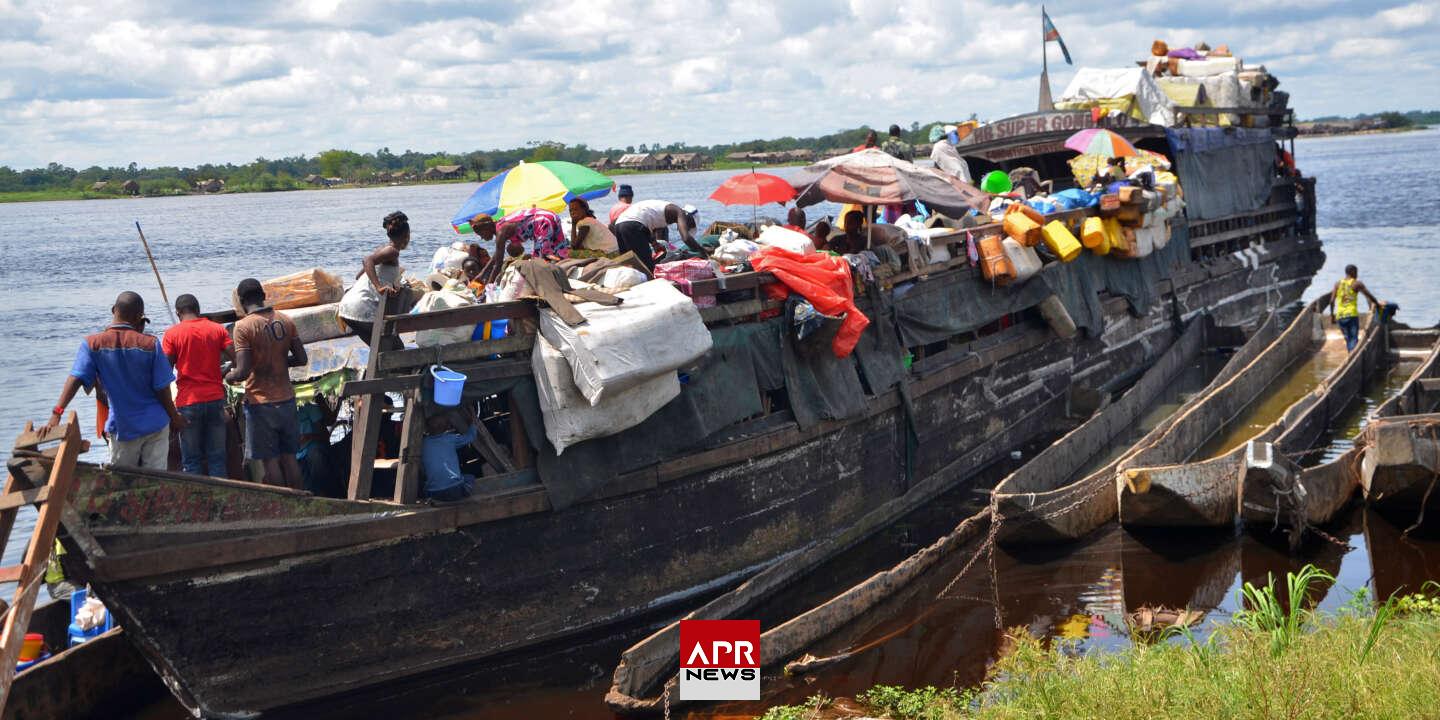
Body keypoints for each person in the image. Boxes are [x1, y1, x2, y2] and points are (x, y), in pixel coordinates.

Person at [48, 291, 183, 468]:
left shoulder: (92, 344)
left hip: (123, 428)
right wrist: (174, 416)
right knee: (157, 479)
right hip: (155, 425)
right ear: (138, 317)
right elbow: (162, 387)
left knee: (122, 480)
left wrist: (57, 413)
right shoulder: (150, 344)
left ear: (114, 310)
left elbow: (76, 378)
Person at [226, 278, 308, 488]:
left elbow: (243, 371)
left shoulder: (243, 327)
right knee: (290, 459)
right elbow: (301, 359)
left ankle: (282, 509)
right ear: (263, 296)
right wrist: (279, 361)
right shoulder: (286, 320)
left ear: (242, 301)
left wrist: (228, 375)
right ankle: (301, 503)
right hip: (287, 400)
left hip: (260, 403)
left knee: (270, 461)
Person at [161, 293, 234, 476]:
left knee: (192, 461)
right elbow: (238, 359)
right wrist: (222, 373)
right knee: (217, 458)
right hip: (215, 399)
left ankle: (197, 503)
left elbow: (164, 373)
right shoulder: (216, 329)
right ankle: (221, 501)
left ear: (178, 313)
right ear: (198, 310)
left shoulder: (172, 334)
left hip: (188, 402)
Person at [339, 211, 410, 348]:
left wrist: (384, 282)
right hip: (360, 308)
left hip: (347, 307)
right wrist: (378, 286)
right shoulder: (392, 251)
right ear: (407, 236)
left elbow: (359, 275)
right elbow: (367, 260)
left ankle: (374, 370)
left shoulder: (383, 249)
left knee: (379, 348)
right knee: (394, 347)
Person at [614, 199, 704, 271]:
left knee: (628, 266)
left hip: (619, 225)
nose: (687, 227)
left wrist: (654, 244)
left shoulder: (665, 213)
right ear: (687, 217)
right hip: (632, 225)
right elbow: (686, 238)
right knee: (647, 268)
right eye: (690, 224)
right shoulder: (679, 212)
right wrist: (704, 252)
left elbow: (647, 227)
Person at [422, 407, 478, 502]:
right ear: (447, 426)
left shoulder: (423, 443)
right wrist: (472, 422)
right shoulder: (450, 439)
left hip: (433, 493)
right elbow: (470, 437)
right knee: (470, 477)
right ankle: (465, 493)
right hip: (454, 491)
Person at [1328, 264, 1382, 352]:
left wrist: (1332, 316)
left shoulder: (1337, 284)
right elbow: (1369, 296)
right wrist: (1377, 304)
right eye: (1356, 272)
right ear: (1352, 272)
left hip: (1340, 316)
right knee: (1353, 340)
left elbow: (1331, 301)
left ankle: (1350, 356)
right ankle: (1352, 356)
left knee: (1348, 339)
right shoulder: (1357, 283)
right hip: (1351, 315)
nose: (1357, 275)